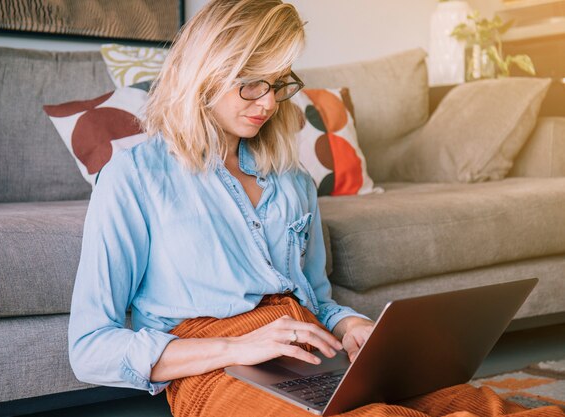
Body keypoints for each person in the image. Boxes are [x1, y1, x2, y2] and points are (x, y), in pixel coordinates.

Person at [68, 1, 564, 416]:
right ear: (205, 72)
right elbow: (90, 347)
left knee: (482, 405)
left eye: (278, 83)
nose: (266, 102)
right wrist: (239, 348)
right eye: (250, 83)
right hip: (213, 367)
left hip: (311, 343)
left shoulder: (291, 178)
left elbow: (317, 298)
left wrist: (351, 326)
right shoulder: (135, 175)